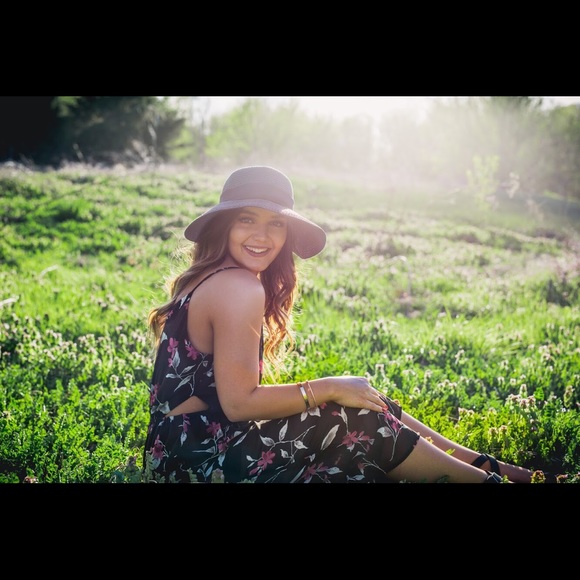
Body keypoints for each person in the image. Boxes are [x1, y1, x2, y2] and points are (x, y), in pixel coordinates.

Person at [142, 165, 537, 484]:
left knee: (363, 401)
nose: (262, 236)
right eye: (247, 219)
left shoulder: (207, 276)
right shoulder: (238, 286)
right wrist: (330, 387)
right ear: (225, 224)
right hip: (201, 462)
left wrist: (338, 390)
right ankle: (489, 479)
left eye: (276, 223)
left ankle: (488, 467)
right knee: (356, 417)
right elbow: (239, 403)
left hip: (174, 455)